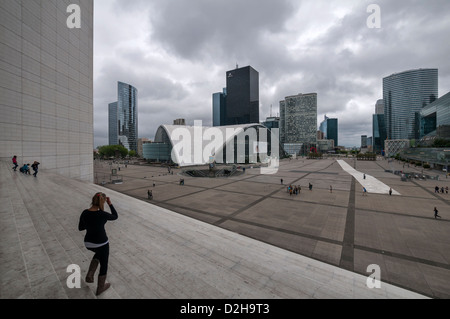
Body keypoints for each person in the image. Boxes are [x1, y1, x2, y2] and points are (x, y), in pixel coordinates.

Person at [78, 192, 118, 296]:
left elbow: (80, 228)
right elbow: (115, 216)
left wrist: (91, 225)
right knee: (104, 263)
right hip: (101, 243)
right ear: (103, 202)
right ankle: (100, 287)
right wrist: (110, 204)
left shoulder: (84, 213)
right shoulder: (102, 214)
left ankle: (90, 274)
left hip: (88, 243)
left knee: (99, 254)